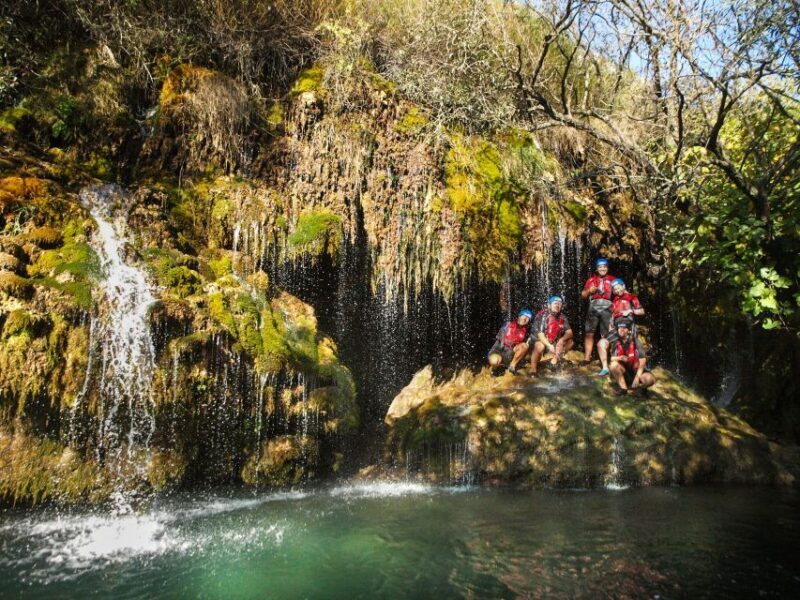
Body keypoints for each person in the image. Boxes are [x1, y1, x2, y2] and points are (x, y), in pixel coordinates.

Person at [597, 278, 645, 376]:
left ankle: (636, 371)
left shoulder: (632, 298)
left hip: (628, 327)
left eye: (619, 288)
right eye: (615, 289)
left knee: (632, 348)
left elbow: (642, 311)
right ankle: (605, 368)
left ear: (623, 286)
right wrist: (610, 325)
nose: (617, 290)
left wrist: (631, 311)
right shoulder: (614, 300)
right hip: (616, 328)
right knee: (601, 343)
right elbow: (612, 315)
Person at [580, 258, 616, 366]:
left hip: (607, 306)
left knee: (606, 334)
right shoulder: (591, 280)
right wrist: (589, 291)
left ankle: (604, 358)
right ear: (597, 269)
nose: (602, 268)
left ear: (607, 268)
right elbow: (583, 295)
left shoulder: (613, 279)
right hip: (594, 306)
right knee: (589, 333)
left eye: (604, 267)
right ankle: (587, 358)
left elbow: (620, 292)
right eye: (600, 267)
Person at [608, 318, 655, 395]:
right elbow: (612, 358)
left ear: (629, 330)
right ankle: (623, 389)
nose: (621, 329)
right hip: (625, 372)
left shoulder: (636, 342)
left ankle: (640, 389)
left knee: (650, 379)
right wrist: (619, 358)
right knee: (613, 365)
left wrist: (637, 378)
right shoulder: (616, 342)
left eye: (624, 328)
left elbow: (642, 362)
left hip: (638, 371)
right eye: (620, 328)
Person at [528, 295, 573, 377]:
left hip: (552, 341)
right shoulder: (543, 315)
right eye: (555, 303)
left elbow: (569, 332)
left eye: (560, 304)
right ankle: (533, 369)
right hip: (539, 341)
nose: (557, 305)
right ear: (549, 305)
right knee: (540, 346)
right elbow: (540, 335)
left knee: (570, 342)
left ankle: (553, 362)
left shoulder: (562, 317)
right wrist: (549, 345)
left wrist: (562, 340)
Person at [488, 309, 532, 375]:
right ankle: (495, 369)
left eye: (528, 318)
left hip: (511, 352)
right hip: (499, 350)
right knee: (494, 361)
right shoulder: (508, 322)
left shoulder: (527, 331)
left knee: (525, 346)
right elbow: (504, 308)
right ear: (519, 316)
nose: (525, 319)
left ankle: (512, 367)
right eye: (524, 316)